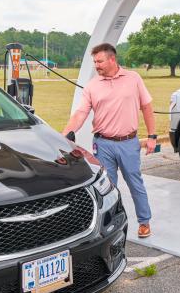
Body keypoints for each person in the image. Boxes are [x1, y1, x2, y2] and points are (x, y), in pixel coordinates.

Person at [63, 43, 156, 238]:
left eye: (100, 61)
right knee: (106, 187)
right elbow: (81, 113)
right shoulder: (92, 86)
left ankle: (144, 221)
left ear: (112, 59)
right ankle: (109, 225)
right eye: (94, 61)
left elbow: (147, 107)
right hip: (102, 144)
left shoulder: (133, 78)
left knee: (134, 183)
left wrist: (152, 136)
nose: (96, 65)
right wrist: (65, 135)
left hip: (128, 142)